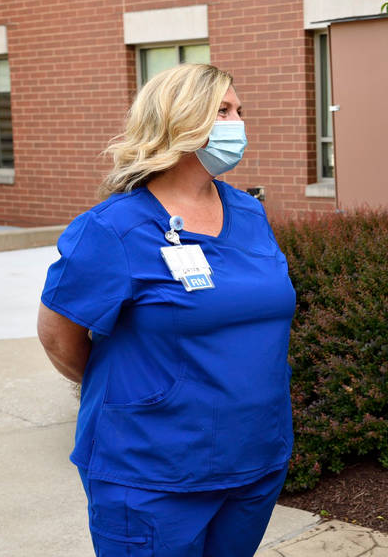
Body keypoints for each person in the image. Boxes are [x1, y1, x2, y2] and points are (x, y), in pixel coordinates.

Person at [37, 63, 296, 557]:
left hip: (255, 460)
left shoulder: (249, 213)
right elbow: (59, 337)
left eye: (239, 110)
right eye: (222, 110)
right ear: (180, 120)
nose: (237, 123)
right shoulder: (114, 229)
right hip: (151, 474)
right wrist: (156, 393)